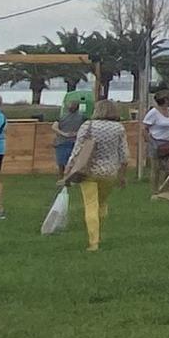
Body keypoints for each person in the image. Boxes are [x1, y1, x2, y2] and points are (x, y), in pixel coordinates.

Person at [58, 104, 130, 251]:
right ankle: (99, 227)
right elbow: (124, 155)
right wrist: (122, 176)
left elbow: (77, 150)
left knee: (90, 204)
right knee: (102, 203)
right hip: (109, 172)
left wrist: (68, 170)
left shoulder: (88, 126)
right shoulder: (119, 128)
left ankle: (93, 242)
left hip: (88, 171)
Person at [141, 90, 169, 200]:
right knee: (156, 168)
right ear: (165, 100)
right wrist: (150, 141)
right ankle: (155, 192)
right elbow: (144, 128)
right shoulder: (153, 113)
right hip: (157, 142)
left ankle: (166, 190)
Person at [52, 96, 85, 179]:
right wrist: (77, 133)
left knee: (61, 162)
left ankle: (62, 178)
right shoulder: (82, 117)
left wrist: (63, 134)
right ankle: (73, 177)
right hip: (75, 142)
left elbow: (54, 127)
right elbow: (86, 128)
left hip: (62, 142)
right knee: (75, 161)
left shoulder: (62, 117)